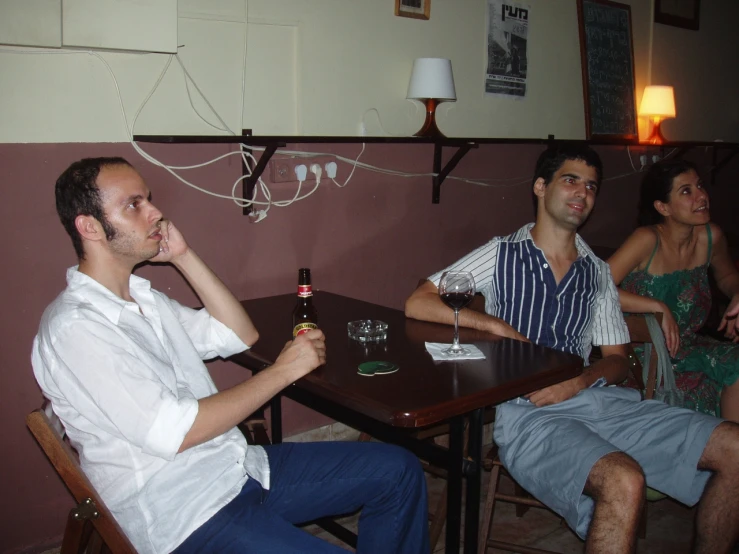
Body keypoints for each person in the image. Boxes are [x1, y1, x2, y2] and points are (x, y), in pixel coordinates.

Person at [32, 157, 430, 554]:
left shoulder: (142, 299)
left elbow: (238, 334)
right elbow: (178, 432)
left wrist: (184, 256)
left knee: (399, 470)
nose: (155, 212)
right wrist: (282, 371)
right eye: (134, 205)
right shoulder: (77, 329)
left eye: (148, 199)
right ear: (89, 227)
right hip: (182, 513)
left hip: (233, 469)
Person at [405, 144, 739, 553]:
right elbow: (419, 300)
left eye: (591, 186)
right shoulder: (501, 254)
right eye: (570, 180)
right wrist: (496, 325)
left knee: (735, 449)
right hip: (528, 415)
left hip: (598, 401)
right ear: (541, 187)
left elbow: (616, 361)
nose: (582, 192)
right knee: (623, 478)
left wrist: (581, 381)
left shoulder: (597, 271)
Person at [607, 159, 739, 421]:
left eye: (699, 186)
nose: (702, 196)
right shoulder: (646, 240)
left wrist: (737, 293)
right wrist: (656, 306)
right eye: (686, 191)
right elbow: (595, 288)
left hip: (688, 344)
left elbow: (726, 275)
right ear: (663, 207)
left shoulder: (710, 236)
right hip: (644, 353)